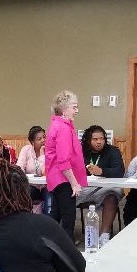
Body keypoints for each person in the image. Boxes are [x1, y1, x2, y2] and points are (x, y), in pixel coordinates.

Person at [45, 90, 88, 241]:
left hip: (57, 177)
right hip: (63, 178)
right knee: (68, 218)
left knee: (56, 215)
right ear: (64, 108)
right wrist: (74, 183)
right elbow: (63, 160)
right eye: (74, 107)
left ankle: (51, 247)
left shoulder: (58, 125)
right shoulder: (63, 128)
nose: (77, 111)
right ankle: (67, 253)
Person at [78, 125, 125, 245]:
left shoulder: (113, 151)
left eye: (102, 138)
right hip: (83, 188)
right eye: (95, 139)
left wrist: (102, 171)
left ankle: (104, 235)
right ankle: (64, 232)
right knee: (64, 193)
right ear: (88, 140)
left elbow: (119, 171)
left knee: (112, 196)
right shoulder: (79, 151)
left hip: (105, 189)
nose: (99, 142)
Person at [17, 125, 52, 214]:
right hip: (31, 185)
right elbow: (19, 169)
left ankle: (49, 225)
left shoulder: (51, 151)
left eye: (44, 137)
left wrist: (42, 155)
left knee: (50, 206)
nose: (43, 140)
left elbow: (45, 173)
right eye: (39, 139)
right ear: (32, 142)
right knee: (24, 195)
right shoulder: (26, 150)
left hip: (46, 186)